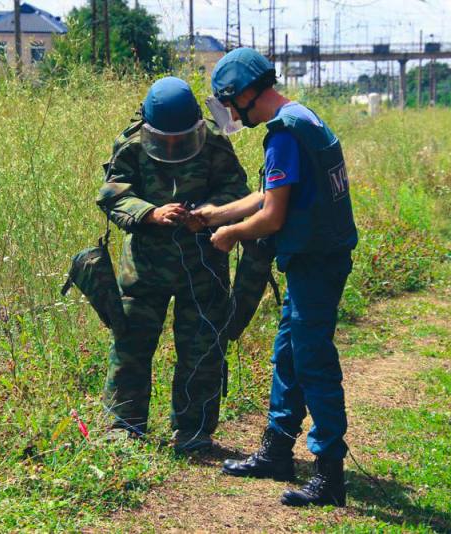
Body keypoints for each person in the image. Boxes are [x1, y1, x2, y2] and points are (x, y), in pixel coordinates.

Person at [193, 48, 358, 506]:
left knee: (312, 360)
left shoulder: (283, 135)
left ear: (246, 94)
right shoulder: (301, 118)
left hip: (315, 261)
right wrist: (215, 214)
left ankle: (329, 475)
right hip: (319, 255)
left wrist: (229, 235)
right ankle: (277, 451)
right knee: (288, 352)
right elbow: (268, 194)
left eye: (229, 103)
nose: (230, 113)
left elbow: (272, 216)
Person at [96, 76, 249, 453]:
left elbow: (237, 191)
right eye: (163, 139)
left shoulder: (214, 143)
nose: (171, 146)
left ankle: (193, 431)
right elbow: (113, 194)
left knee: (202, 348)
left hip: (203, 265)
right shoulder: (131, 144)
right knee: (130, 345)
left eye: (179, 139)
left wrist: (209, 212)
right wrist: (150, 213)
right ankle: (124, 428)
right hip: (144, 268)